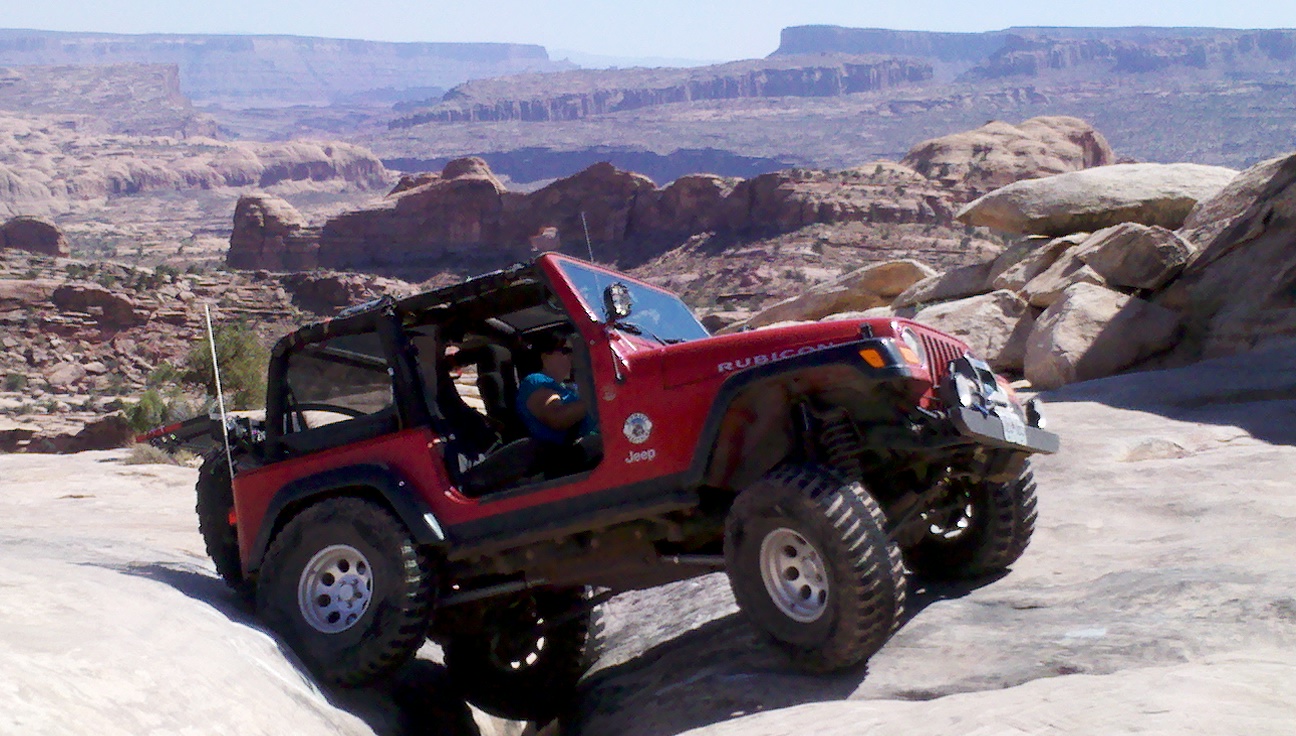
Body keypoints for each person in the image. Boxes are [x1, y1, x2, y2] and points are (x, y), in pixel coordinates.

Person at [516, 330, 597, 476]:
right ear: (545, 356)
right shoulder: (535, 381)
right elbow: (556, 417)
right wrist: (598, 399)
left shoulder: (564, 387)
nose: (572, 356)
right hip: (569, 459)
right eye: (566, 351)